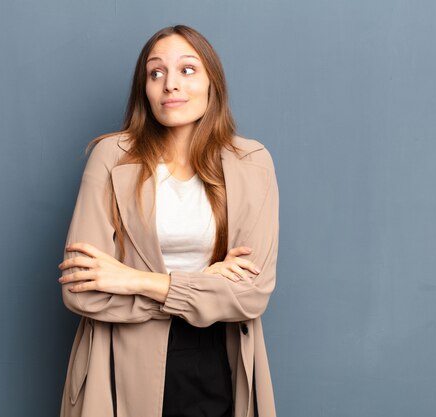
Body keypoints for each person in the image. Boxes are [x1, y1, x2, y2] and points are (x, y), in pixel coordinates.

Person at [57, 24, 280, 417]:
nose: (170, 84)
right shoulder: (111, 156)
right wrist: (207, 285)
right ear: (144, 89)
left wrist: (134, 280)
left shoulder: (251, 162)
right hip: (119, 364)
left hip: (217, 361)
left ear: (213, 82)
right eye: (156, 72)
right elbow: (81, 290)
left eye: (187, 70)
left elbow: (251, 294)